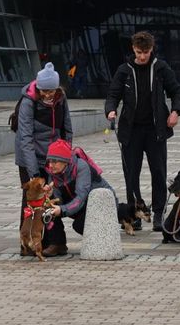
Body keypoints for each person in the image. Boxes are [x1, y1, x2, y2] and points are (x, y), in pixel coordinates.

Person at [104, 31, 180, 232]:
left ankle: (157, 214)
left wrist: (175, 112)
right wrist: (111, 110)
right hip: (130, 131)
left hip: (155, 130)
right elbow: (112, 94)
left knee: (158, 171)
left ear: (151, 49)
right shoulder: (124, 70)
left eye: (146, 52)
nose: (142, 56)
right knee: (131, 174)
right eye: (139, 52)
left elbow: (176, 91)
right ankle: (135, 214)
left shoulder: (160, 68)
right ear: (133, 49)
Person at [40, 139, 116, 256]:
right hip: (80, 202)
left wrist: (62, 210)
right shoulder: (53, 171)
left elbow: (81, 197)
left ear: (65, 161)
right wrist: (51, 196)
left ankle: (102, 240)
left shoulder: (81, 167)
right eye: (49, 161)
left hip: (100, 203)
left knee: (79, 225)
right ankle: (58, 244)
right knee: (48, 208)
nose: (51, 165)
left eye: (55, 162)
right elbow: (58, 200)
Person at [14, 62, 72, 215]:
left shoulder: (61, 98)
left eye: (51, 90)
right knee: (32, 198)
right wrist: (34, 174)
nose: (47, 94)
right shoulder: (28, 101)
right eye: (44, 91)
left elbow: (67, 129)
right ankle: (27, 236)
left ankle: (49, 237)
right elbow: (25, 138)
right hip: (29, 156)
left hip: (51, 157)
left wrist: (65, 157)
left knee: (52, 195)